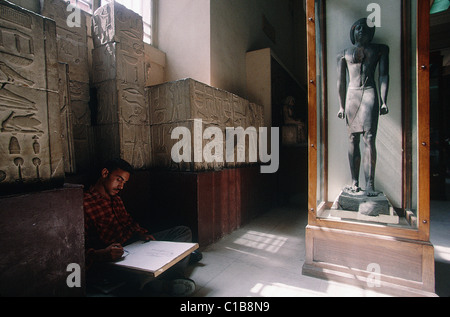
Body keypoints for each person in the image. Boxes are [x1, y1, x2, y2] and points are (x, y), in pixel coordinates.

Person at [83, 158, 202, 296]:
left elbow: (129, 223)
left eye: (124, 182)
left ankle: (172, 274)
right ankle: (166, 276)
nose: (121, 186)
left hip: (136, 245)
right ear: (105, 173)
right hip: (116, 257)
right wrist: (102, 254)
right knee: (126, 279)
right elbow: (79, 252)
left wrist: (142, 234)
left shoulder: (116, 199)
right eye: (119, 179)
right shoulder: (84, 204)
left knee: (182, 231)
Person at [336, 18, 389, 196]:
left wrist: (383, 100)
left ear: (369, 33)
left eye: (364, 29)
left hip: (369, 91)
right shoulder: (343, 54)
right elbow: (341, 82)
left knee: (369, 138)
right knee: (352, 139)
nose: (361, 31)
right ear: (353, 32)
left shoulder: (379, 50)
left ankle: (370, 185)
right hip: (352, 94)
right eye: (357, 28)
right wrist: (341, 106)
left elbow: (383, 75)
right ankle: (355, 182)